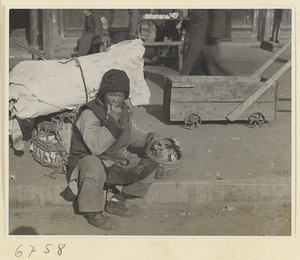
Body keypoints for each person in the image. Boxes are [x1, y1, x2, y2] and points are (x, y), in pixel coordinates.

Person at [62, 69, 159, 230]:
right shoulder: (90, 113)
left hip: (114, 158)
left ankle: (117, 201)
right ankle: (92, 212)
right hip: (88, 161)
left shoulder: (122, 111)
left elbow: (131, 134)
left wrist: (150, 138)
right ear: (103, 94)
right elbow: (95, 147)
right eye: (111, 95)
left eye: (120, 95)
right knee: (92, 163)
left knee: (150, 159)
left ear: (125, 96)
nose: (115, 100)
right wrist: (111, 122)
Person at [180, 9, 230, 76]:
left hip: (205, 31)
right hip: (197, 29)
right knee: (194, 64)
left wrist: (215, 33)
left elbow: (217, 9)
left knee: (214, 66)